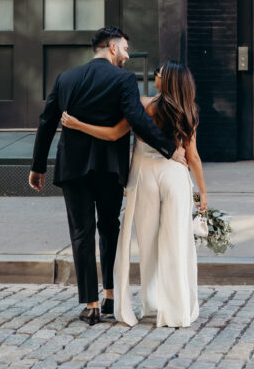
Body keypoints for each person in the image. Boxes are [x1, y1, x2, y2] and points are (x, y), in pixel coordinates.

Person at [29, 27, 185, 326]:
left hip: (72, 168)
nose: (127, 55)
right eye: (125, 49)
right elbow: (138, 119)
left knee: (81, 233)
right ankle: (111, 296)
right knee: (109, 229)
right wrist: (169, 148)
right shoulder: (124, 79)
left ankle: (90, 304)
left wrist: (38, 166)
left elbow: (47, 122)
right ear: (112, 48)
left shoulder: (66, 78)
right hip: (109, 167)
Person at [61, 60, 207, 329]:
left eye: (158, 74)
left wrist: (77, 124)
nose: (155, 77)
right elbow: (193, 157)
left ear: (169, 81)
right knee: (176, 242)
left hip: (144, 179)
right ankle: (177, 309)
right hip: (175, 177)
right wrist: (203, 196)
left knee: (144, 244)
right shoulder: (189, 111)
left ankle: (146, 302)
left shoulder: (142, 105)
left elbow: (113, 133)